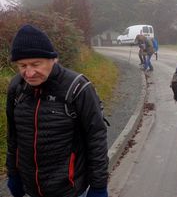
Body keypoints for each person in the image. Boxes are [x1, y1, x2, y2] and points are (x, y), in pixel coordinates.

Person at [6, 24, 109, 197]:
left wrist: (98, 186)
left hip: (71, 190)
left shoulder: (78, 87)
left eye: (35, 64)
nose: (29, 73)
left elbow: (96, 138)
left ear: (53, 60)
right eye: (22, 66)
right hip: (31, 188)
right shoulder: (17, 87)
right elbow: (13, 137)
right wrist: (13, 174)